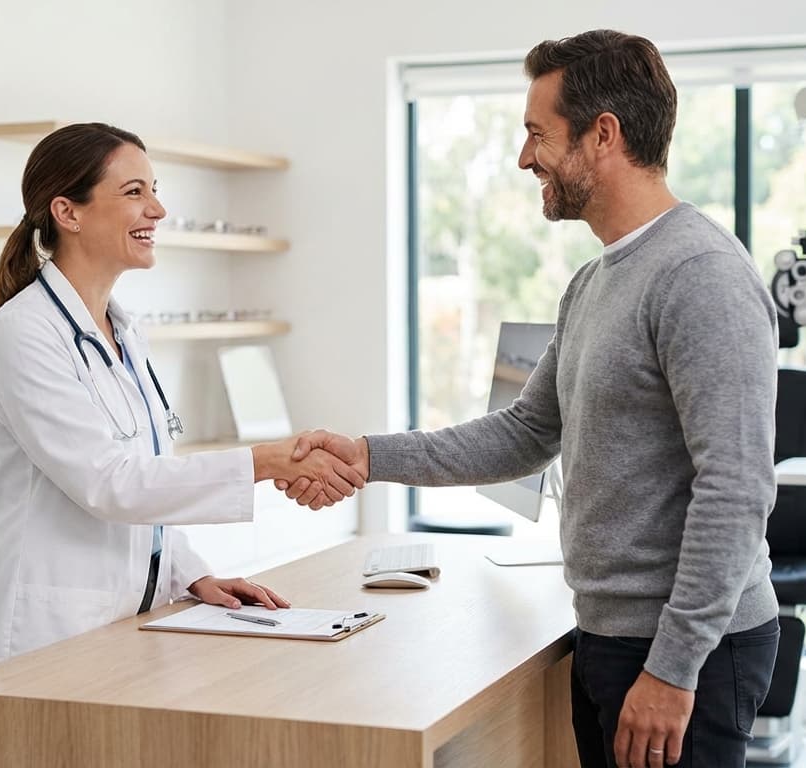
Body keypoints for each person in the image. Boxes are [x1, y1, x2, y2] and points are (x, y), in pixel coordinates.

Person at [280, 31, 779, 768]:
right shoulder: (594, 282)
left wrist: (673, 669)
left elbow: (736, 490)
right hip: (613, 636)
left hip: (681, 651)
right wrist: (365, 455)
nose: (524, 158)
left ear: (602, 134)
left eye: (536, 134)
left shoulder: (701, 274)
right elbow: (522, 433)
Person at [0, 123, 363, 669]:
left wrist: (191, 573)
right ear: (68, 212)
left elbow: (146, 485)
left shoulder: (125, 331)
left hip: (128, 622)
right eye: (135, 192)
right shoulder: (23, 334)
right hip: (48, 631)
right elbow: (109, 484)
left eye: (155, 189)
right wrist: (268, 460)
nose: (158, 209)